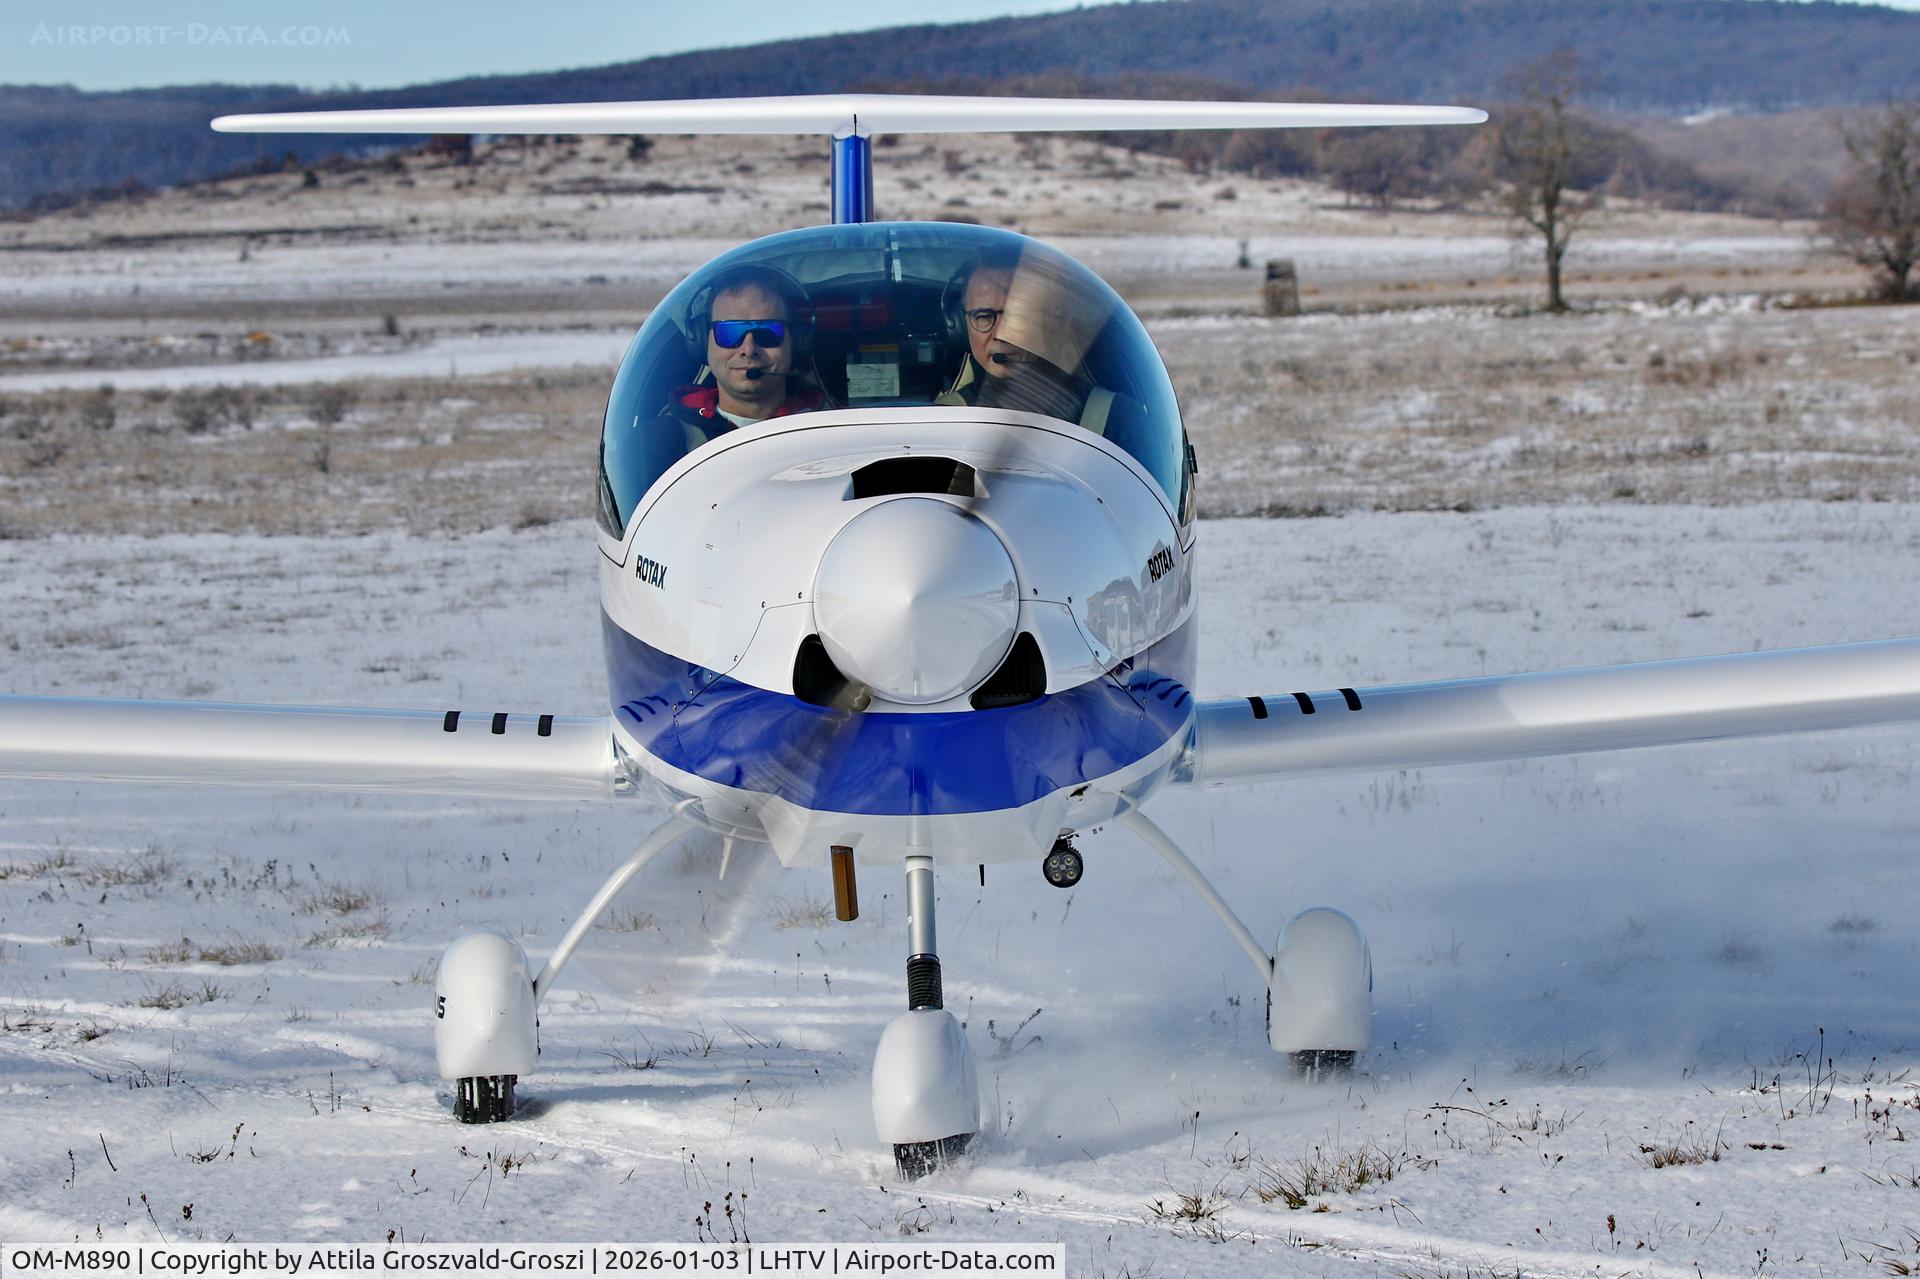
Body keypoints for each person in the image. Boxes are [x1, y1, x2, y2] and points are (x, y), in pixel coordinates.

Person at [937, 250, 1122, 433]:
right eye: (984, 316)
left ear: (1056, 321)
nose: (1003, 334)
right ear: (962, 326)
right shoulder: (944, 419)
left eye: (1020, 316)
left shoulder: (1113, 416)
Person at [665, 265, 825, 437]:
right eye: (730, 332)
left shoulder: (832, 426)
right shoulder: (663, 440)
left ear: (796, 341)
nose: (748, 350)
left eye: (767, 333)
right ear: (703, 341)